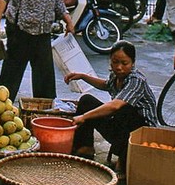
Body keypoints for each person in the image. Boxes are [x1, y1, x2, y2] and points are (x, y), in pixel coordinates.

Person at [65, 41, 157, 175]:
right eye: (115, 62)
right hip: (121, 127)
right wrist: (83, 76)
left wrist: (83, 117)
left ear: (133, 63)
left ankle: (124, 161)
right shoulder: (116, 75)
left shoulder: (136, 80)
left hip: (141, 133)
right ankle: (85, 147)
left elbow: (115, 105)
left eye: (124, 63)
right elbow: (106, 85)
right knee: (87, 100)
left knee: (123, 109)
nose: (119, 67)